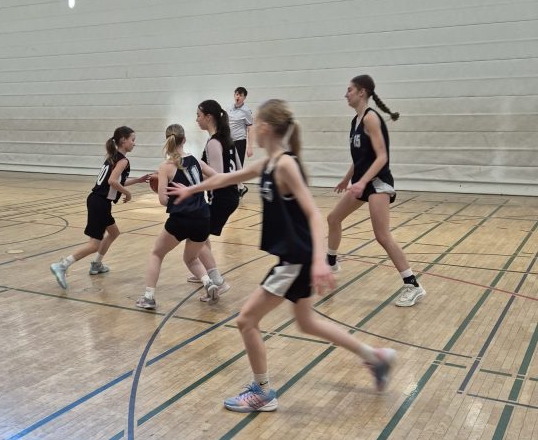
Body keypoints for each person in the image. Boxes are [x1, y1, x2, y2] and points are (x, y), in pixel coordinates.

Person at [168, 99, 396, 412]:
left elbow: (314, 214)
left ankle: (262, 392)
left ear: (263, 127)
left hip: (296, 260)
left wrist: (319, 261)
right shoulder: (270, 163)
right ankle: (376, 357)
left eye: (253, 125)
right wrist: (189, 190)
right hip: (294, 258)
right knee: (307, 323)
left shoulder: (286, 165)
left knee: (246, 321)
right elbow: (224, 179)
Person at [327, 75, 426, 307]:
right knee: (333, 218)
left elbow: (382, 157)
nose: (346, 94)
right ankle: (330, 262)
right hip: (363, 182)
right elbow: (360, 158)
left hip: (378, 183)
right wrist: (347, 179)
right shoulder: (355, 121)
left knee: (382, 235)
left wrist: (362, 183)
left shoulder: (371, 119)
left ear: (362, 92)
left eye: (349, 90)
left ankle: (413, 285)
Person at [50, 126, 149, 289]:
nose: (134, 143)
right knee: (94, 244)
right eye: (133, 140)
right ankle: (62, 265)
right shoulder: (123, 160)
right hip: (100, 203)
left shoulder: (113, 157)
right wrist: (128, 193)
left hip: (98, 201)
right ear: (123, 140)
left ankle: (96, 264)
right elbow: (112, 182)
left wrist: (137, 181)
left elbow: (114, 181)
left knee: (114, 232)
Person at [136, 124, 218, 311]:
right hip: (203, 217)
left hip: (181, 218)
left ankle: (148, 297)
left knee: (157, 253)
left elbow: (163, 200)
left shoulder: (166, 166)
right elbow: (216, 177)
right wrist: (196, 187)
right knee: (191, 258)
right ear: (184, 139)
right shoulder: (196, 161)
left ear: (167, 140)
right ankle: (209, 284)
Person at [188, 99, 235, 300]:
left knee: (194, 238)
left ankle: (218, 282)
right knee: (202, 236)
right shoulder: (227, 139)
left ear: (208, 117)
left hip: (222, 197)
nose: (197, 119)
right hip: (230, 195)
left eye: (198, 115)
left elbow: (217, 177)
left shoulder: (214, 142)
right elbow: (236, 169)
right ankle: (205, 273)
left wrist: (191, 183)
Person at [228, 86, 254, 198]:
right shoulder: (229, 108)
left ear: (244, 97)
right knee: (229, 166)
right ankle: (241, 188)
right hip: (229, 141)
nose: (238, 97)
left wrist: (250, 147)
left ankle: (238, 189)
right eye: (236, 94)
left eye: (240, 95)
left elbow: (250, 128)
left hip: (240, 142)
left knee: (238, 167)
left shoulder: (246, 111)